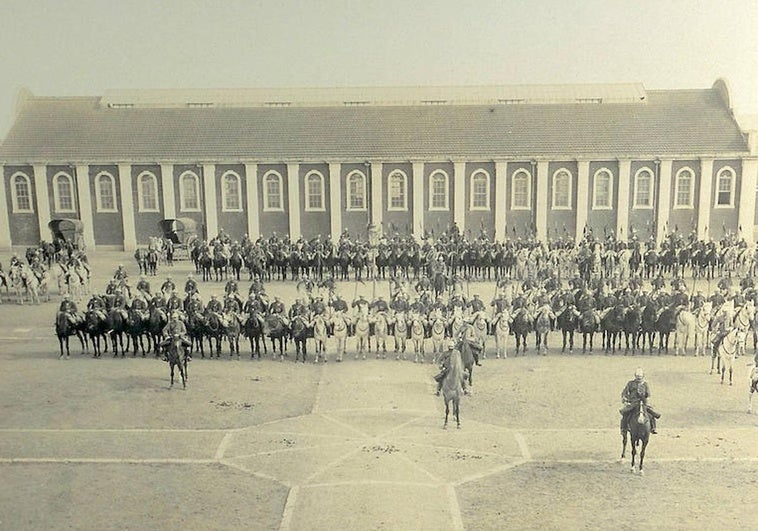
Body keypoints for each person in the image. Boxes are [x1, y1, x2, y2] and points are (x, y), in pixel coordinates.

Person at [620, 368, 661, 434]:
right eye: (637, 377)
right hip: (633, 403)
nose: (639, 378)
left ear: (643, 376)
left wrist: (645, 396)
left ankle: (653, 428)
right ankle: (623, 429)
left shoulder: (645, 384)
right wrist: (625, 399)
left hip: (643, 403)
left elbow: (648, 394)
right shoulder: (630, 383)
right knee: (625, 414)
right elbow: (625, 392)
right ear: (635, 376)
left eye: (640, 377)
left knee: (651, 414)